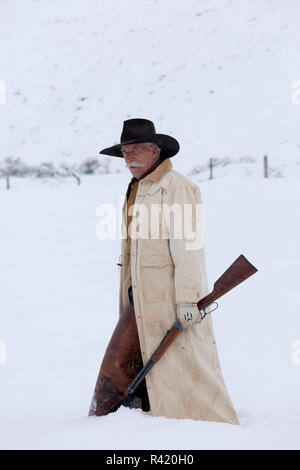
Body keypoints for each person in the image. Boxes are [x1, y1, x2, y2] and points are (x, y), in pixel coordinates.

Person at [99, 118, 239, 424]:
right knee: (129, 358)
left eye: (135, 150)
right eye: (125, 151)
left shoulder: (178, 188)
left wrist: (188, 298)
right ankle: (144, 410)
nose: (129, 158)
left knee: (183, 357)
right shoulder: (137, 187)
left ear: (155, 151)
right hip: (139, 292)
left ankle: (205, 419)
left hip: (168, 292)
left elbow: (188, 248)